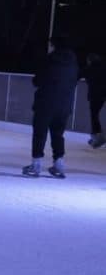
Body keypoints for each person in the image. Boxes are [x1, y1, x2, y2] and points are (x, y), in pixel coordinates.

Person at [22, 32, 80, 177]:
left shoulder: (49, 60)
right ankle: (59, 163)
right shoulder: (74, 64)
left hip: (46, 103)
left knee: (40, 133)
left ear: (55, 45)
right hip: (65, 105)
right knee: (58, 134)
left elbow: (37, 80)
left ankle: (36, 164)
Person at [84, 52, 105, 149]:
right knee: (95, 115)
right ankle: (97, 136)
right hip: (102, 95)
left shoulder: (90, 69)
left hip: (95, 95)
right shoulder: (103, 68)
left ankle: (97, 136)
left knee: (94, 115)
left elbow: (89, 80)